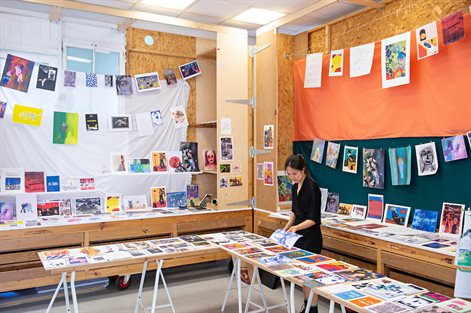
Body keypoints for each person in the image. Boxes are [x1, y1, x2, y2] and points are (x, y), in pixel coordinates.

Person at [282, 154, 322, 313]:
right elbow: (294, 213)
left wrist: (296, 228)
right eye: (289, 174)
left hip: (311, 238)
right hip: (297, 236)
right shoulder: (294, 187)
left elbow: (313, 219)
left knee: (310, 277)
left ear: (303, 170)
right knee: (303, 276)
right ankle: (308, 307)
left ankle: (313, 309)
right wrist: (286, 228)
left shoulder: (313, 188)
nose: (292, 177)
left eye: (295, 174)